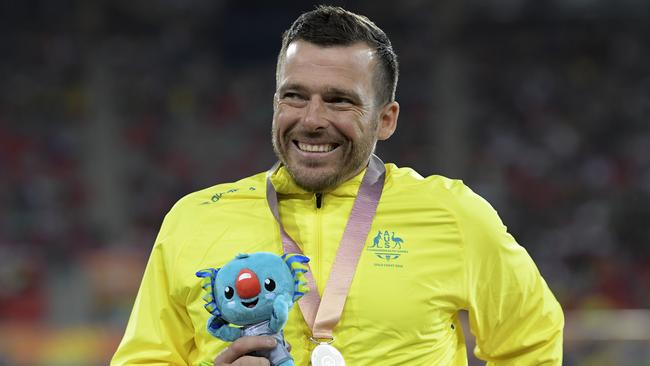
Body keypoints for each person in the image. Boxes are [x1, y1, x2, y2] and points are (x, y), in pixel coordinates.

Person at [111, 5, 564, 366]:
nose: (311, 120)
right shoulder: (194, 219)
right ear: (275, 103)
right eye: (295, 96)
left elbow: (530, 344)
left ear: (386, 120)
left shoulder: (455, 216)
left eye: (339, 101)